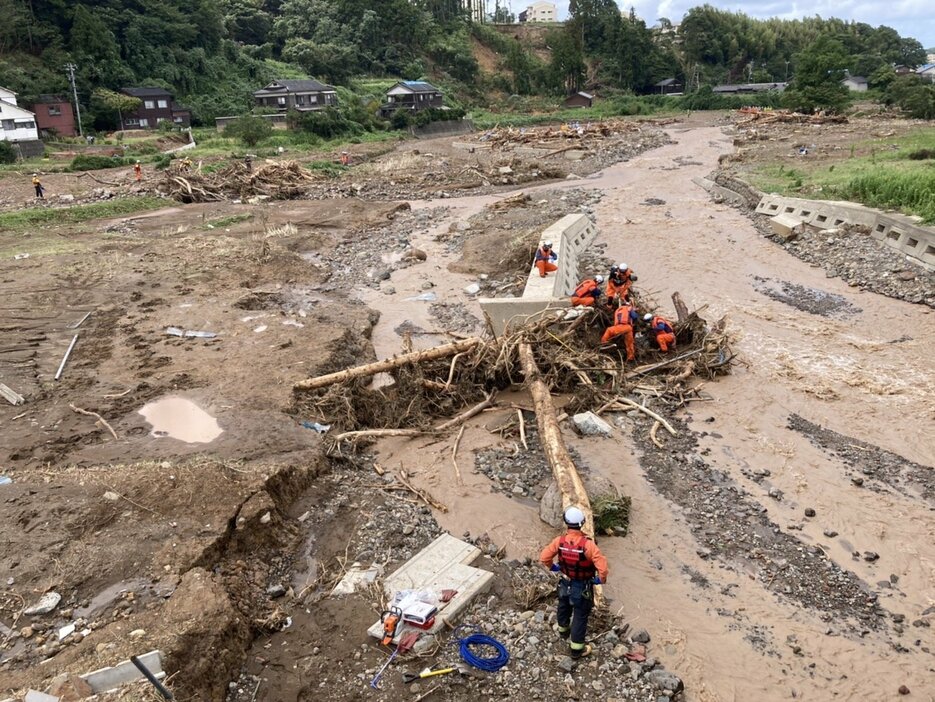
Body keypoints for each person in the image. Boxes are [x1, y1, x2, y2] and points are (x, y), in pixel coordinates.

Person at [539, 506, 609, 659]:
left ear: (566, 523)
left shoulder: (559, 541)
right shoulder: (588, 545)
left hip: (565, 582)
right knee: (580, 615)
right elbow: (603, 568)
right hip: (582, 585)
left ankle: (563, 632)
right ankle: (577, 649)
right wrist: (600, 580)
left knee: (563, 606)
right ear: (582, 523)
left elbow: (544, 557)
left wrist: (553, 567)